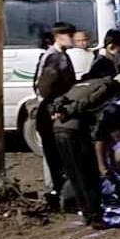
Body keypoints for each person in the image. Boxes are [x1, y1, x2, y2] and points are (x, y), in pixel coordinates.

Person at [51, 72, 120, 228]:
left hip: (59, 130)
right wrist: (69, 111)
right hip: (74, 130)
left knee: (75, 174)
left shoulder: (88, 83)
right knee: (88, 173)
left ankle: (86, 213)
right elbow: (90, 102)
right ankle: (95, 217)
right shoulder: (109, 87)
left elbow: (62, 99)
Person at [34, 22, 78, 210]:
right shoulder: (55, 58)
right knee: (56, 158)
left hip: (51, 111)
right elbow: (45, 88)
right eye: (70, 35)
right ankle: (58, 197)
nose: (73, 38)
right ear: (59, 37)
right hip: (50, 114)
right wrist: (55, 108)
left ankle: (60, 195)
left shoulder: (58, 56)